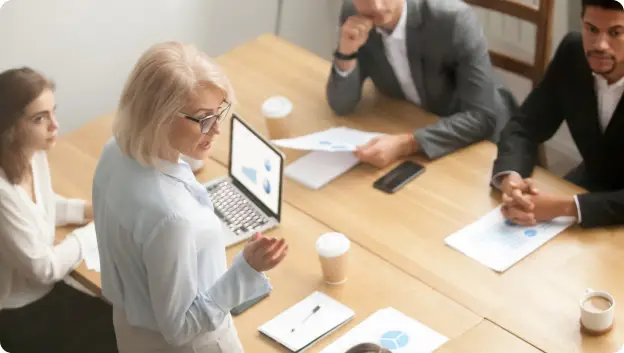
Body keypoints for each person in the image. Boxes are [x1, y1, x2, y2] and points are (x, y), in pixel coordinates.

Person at [92, 42, 289, 353]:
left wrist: (190, 149)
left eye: (218, 114)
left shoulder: (113, 151)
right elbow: (180, 327)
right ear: (160, 117)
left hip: (133, 334)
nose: (217, 130)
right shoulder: (172, 218)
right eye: (204, 119)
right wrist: (246, 268)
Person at [0, 68, 118, 353]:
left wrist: (91, 210)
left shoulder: (32, 154)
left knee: (125, 318)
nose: (55, 125)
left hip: (46, 292)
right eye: (40, 118)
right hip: (21, 313)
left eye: (53, 112)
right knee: (122, 331)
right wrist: (94, 231)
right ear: (10, 128)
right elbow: (45, 268)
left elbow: (44, 205)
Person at [326, 0, 515, 167]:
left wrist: (407, 144)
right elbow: (341, 105)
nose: (377, 6)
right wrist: (346, 52)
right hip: (413, 122)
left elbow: (482, 116)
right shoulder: (353, 14)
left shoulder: (453, 19)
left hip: (480, 142)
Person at [492, 0, 624, 228]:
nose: (601, 45)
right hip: (589, 183)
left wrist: (566, 207)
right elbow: (524, 126)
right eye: (591, 29)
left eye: (616, 33)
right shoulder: (573, 53)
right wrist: (510, 180)